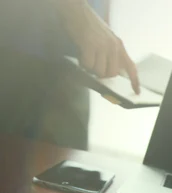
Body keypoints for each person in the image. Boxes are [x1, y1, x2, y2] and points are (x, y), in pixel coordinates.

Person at [0, 0, 139, 149]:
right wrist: (76, 10)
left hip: (74, 67)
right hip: (16, 52)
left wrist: (102, 27)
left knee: (67, 165)